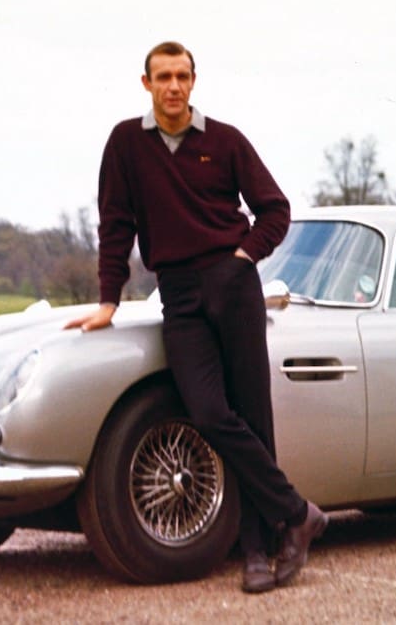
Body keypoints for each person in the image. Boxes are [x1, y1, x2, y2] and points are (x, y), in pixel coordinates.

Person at [65, 41, 327, 593]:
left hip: (232, 286)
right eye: (163, 77)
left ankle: (257, 552)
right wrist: (109, 299)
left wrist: (242, 257)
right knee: (209, 412)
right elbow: (115, 224)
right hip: (178, 294)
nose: (174, 87)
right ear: (146, 83)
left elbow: (275, 209)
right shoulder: (126, 144)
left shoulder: (225, 140)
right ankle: (298, 514)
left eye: (182, 76)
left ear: (194, 80)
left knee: (253, 416)